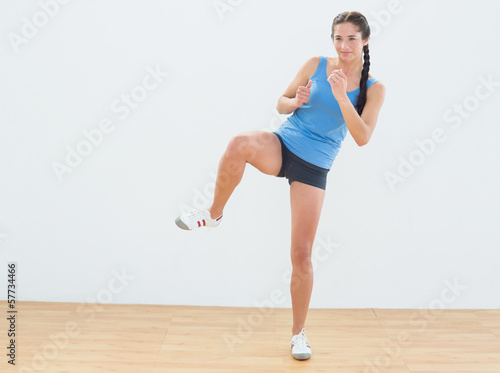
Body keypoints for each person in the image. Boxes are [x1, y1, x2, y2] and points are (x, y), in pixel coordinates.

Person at [175, 11, 386, 360]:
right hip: (283, 144)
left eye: (351, 38)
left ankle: (298, 334)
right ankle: (213, 215)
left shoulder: (373, 88)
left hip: (314, 165)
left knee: (301, 255)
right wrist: (296, 101)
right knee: (238, 143)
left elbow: (362, 137)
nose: (344, 45)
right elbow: (281, 102)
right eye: (338, 37)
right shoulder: (316, 63)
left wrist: (341, 96)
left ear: (365, 41)